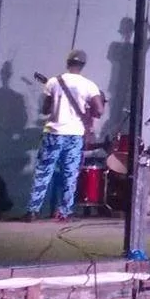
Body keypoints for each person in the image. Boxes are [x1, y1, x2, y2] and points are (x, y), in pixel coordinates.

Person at [25, 50, 104, 222]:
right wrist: (86, 110)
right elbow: (99, 110)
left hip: (53, 133)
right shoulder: (89, 85)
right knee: (70, 174)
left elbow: (45, 109)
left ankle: (33, 211)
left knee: (43, 171)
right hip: (74, 135)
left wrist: (57, 103)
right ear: (83, 65)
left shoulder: (54, 82)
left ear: (67, 63)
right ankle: (65, 212)